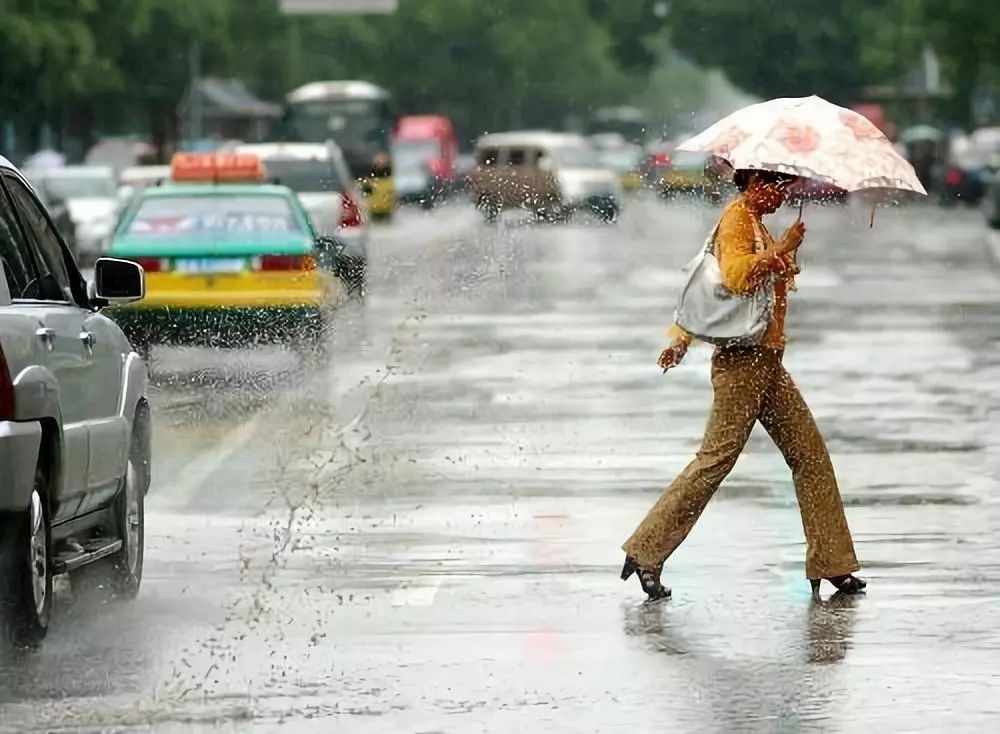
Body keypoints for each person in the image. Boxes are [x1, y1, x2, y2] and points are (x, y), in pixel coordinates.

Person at [620, 169, 866, 600]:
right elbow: (733, 277)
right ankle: (646, 550)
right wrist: (781, 251)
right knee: (714, 460)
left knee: (810, 456)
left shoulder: (756, 223)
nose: (782, 197)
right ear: (756, 184)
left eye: (787, 190)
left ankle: (832, 563)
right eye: (778, 189)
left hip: (768, 362)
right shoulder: (736, 218)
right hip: (742, 365)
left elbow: (739, 289)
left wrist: (784, 257)